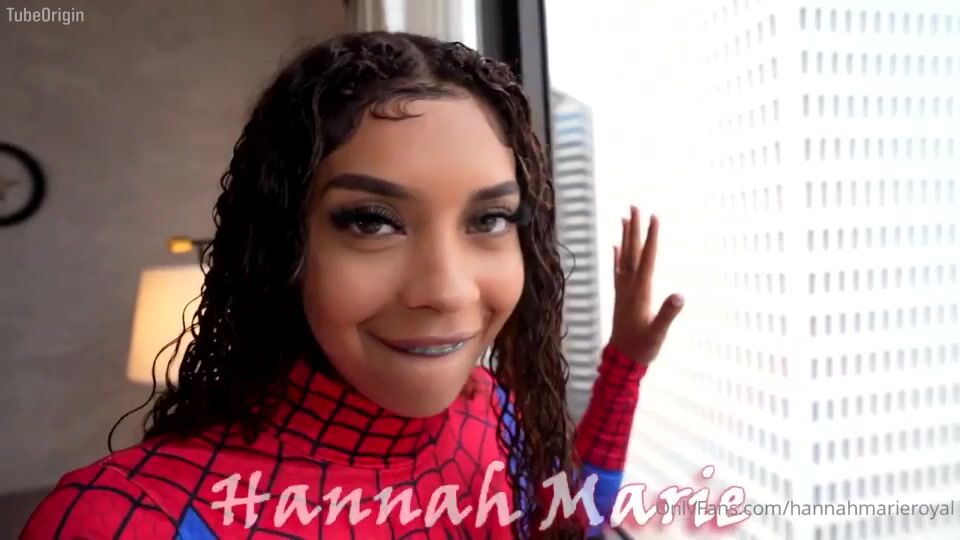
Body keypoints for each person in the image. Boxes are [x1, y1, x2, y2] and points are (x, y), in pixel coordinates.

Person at [22, 31, 683, 539]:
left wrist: (624, 367)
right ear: (285, 244)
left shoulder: (494, 411)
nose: (448, 291)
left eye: (488, 219)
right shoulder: (128, 522)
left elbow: (573, 525)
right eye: (372, 221)